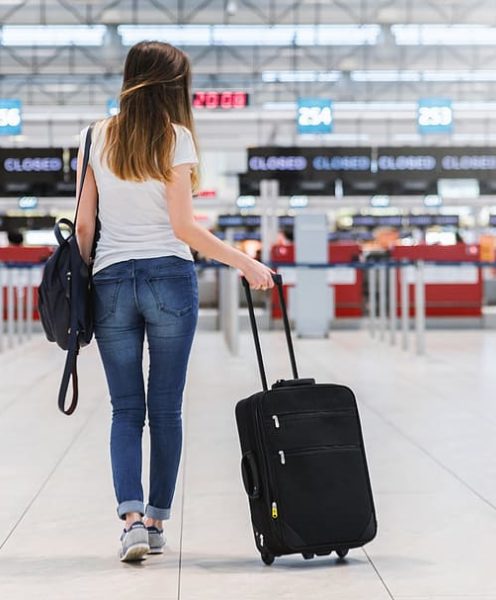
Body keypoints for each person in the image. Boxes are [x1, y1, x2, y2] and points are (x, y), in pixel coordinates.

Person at [75, 41, 274, 562]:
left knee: (124, 411)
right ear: (172, 86)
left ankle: (132, 522)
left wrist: (80, 287)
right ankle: (158, 521)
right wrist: (245, 261)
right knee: (165, 409)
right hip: (168, 278)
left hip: (112, 280)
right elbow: (184, 227)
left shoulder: (93, 137)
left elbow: (84, 226)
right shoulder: (176, 138)